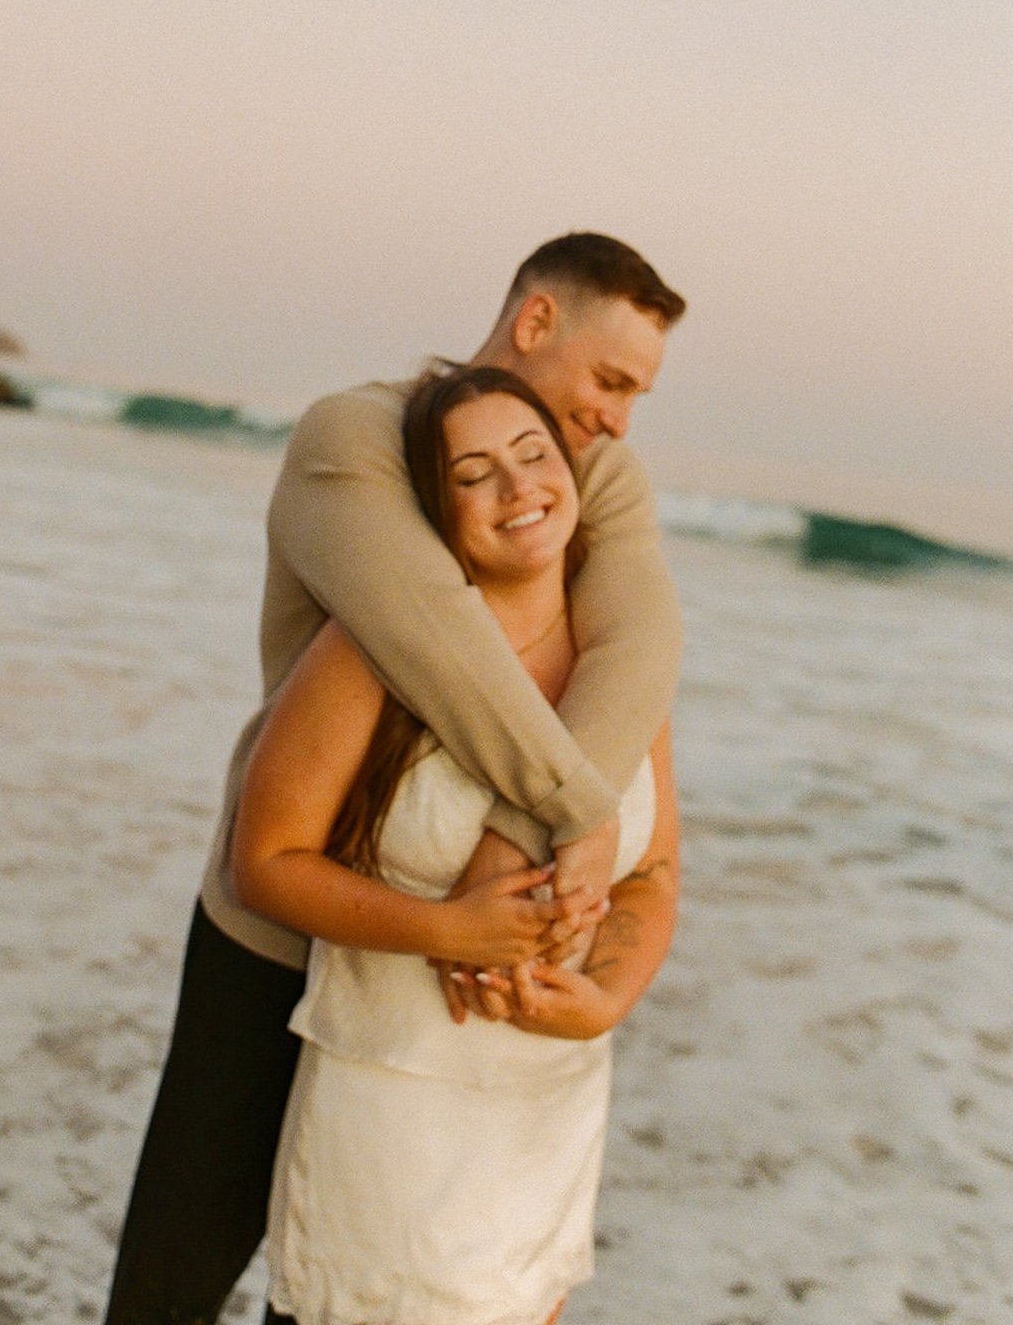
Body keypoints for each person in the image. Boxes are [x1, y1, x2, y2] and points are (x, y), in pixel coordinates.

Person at [102, 233, 686, 1325]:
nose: (614, 418)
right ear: (534, 324)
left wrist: (537, 853)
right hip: (286, 930)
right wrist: (568, 817)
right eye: (609, 380)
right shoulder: (356, 435)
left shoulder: (598, 469)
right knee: (181, 1273)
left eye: (636, 396)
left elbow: (642, 645)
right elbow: (434, 636)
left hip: (450, 1000)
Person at [233, 365, 680, 1325]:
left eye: (533, 456)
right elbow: (264, 861)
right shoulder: (373, 648)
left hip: (546, 1105)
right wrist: (444, 928)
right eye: (474, 474)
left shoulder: (623, 659)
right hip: (392, 1099)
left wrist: (603, 1000)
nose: (519, 490)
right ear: (437, 509)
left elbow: (652, 874)